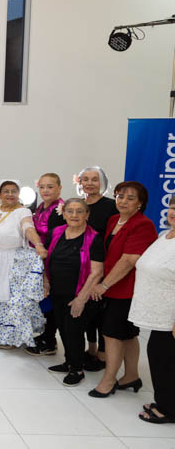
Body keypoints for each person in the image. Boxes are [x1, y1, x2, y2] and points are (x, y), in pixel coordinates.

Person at [88, 181, 157, 398]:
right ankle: (131, 376)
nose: (123, 201)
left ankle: (108, 381)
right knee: (127, 334)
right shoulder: (113, 220)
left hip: (126, 288)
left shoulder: (143, 225)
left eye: (130, 198)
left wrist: (104, 284)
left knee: (111, 334)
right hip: (113, 285)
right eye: (120, 196)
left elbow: (129, 260)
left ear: (140, 203)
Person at [0, 180, 48, 348]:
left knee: (7, 296)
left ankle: (9, 337)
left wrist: (39, 245)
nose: (10, 194)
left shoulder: (23, 211)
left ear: (18, 194)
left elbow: (28, 228)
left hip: (11, 259)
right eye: (6, 191)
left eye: (14, 191)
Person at [43, 198, 105, 386]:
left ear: (87, 215)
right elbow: (47, 262)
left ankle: (77, 369)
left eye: (80, 211)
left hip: (79, 293)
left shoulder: (94, 237)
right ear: (64, 213)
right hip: (57, 290)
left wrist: (81, 299)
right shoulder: (56, 232)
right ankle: (69, 361)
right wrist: (46, 283)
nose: (74, 215)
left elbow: (97, 272)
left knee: (74, 330)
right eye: (70, 211)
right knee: (62, 327)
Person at [129, 196, 175, 423]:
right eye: (172, 207)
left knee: (166, 361)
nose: (173, 212)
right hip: (159, 312)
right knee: (159, 358)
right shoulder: (163, 236)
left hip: (171, 315)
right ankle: (164, 401)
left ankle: (169, 409)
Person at [78, 166, 118, 371]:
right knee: (87, 310)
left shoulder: (111, 206)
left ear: (102, 182)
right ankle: (91, 348)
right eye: (85, 179)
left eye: (94, 179)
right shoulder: (79, 205)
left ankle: (103, 354)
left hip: (102, 265)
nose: (89, 183)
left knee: (100, 311)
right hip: (82, 265)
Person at [26, 173, 66, 356]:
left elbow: (56, 238)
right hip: (38, 257)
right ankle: (44, 335)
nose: (45, 190)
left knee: (50, 298)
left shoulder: (60, 209)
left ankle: (50, 339)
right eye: (42, 187)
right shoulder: (41, 206)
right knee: (42, 299)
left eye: (50, 187)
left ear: (59, 188)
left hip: (51, 258)